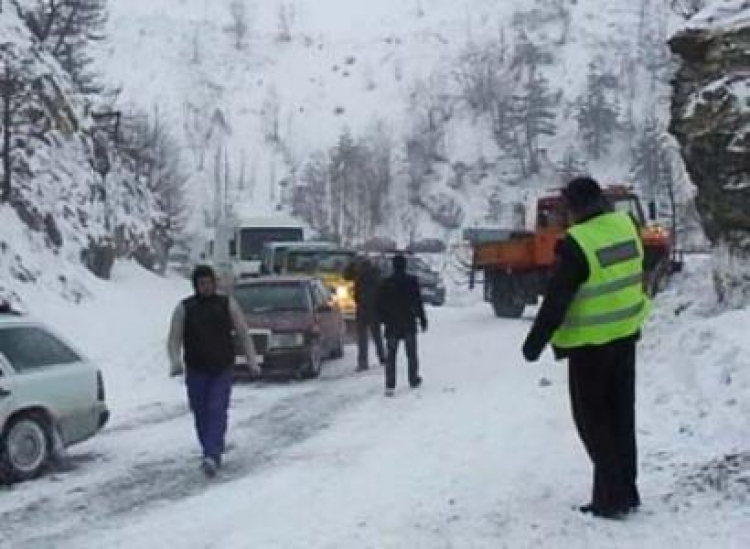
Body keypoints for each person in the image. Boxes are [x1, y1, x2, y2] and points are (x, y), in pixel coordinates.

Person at [522, 177, 650, 519]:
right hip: (625, 335)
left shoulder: (578, 242)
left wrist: (534, 344)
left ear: (577, 206)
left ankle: (613, 497)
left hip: (590, 348)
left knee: (593, 422)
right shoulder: (626, 224)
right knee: (621, 417)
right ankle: (626, 490)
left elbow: (556, 299)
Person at [167, 264, 260, 477]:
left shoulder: (227, 304)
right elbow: (174, 338)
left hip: (222, 368)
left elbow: (243, 333)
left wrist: (251, 360)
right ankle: (209, 448)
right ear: (195, 285)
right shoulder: (184, 308)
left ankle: (212, 454)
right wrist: (175, 361)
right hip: (196, 369)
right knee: (201, 413)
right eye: (201, 284)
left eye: (209, 283)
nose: (205, 287)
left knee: (217, 409)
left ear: (214, 283)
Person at [378, 254, 427, 396]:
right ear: (405, 266)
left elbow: (380, 304)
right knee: (411, 354)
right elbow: (418, 302)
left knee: (391, 356)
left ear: (393, 266)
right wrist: (422, 319)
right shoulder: (411, 281)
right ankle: (413, 379)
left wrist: (383, 319)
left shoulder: (386, 283)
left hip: (392, 324)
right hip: (408, 323)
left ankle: (390, 385)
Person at [345, 256, 386, 372]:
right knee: (377, 335)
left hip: (362, 308)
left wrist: (351, 264)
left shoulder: (359, 274)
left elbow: (346, 276)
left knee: (362, 337)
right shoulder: (375, 274)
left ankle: (363, 362)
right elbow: (382, 290)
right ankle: (382, 357)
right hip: (374, 309)